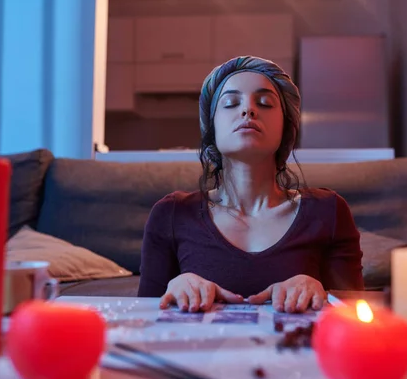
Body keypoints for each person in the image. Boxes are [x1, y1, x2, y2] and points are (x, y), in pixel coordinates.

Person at [138, 56, 363, 314]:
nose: (248, 110)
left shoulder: (329, 212)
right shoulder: (171, 214)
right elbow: (141, 320)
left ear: (286, 128)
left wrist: (323, 294)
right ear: (211, 127)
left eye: (265, 103)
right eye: (231, 103)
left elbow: (358, 319)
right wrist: (173, 289)